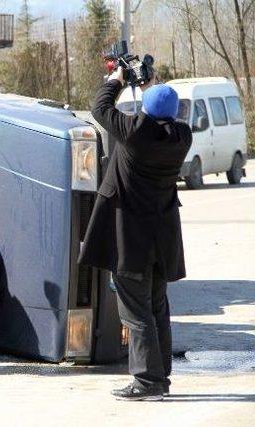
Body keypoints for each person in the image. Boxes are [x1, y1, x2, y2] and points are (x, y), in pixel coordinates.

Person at [78, 67, 192, 401]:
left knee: (136, 312)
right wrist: (148, 86)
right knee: (157, 307)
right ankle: (161, 377)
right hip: (163, 239)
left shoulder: (134, 134)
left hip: (131, 239)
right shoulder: (182, 136)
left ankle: (146, 382)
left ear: (145, 110)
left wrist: (116, 79)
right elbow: (156, 113)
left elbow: (100, 108)